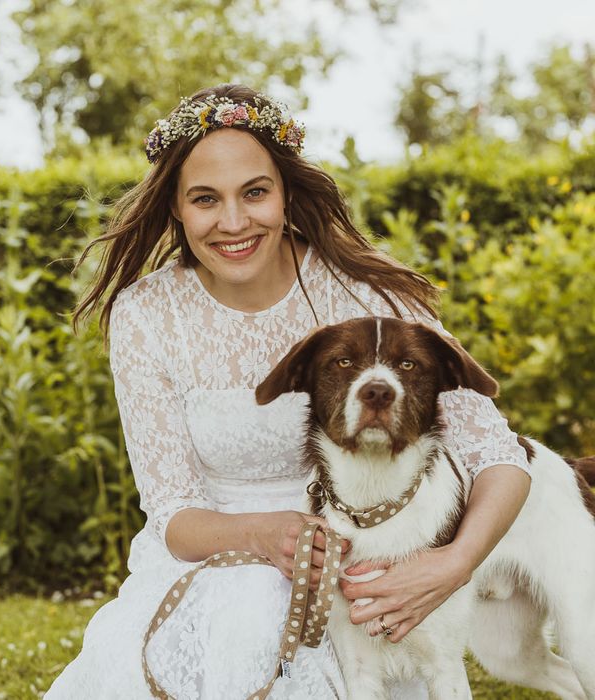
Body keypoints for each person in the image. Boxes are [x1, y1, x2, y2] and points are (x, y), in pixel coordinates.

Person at [44, 84, 531, 699]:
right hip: (210, 566)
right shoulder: (147, 315)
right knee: (242, 619)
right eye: (204, 199)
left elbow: (500, 457)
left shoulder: (365, 298)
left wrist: (453, 563)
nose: (233, 221)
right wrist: (264, 535)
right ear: (175, 207)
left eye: (255, 191)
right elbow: (172, 512)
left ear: (285, 192)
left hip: (366, 569)